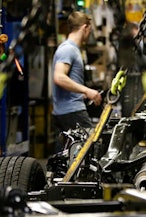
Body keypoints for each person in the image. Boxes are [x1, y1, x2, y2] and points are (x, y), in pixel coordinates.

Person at [52, 11, 102, 143]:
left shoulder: (72, 49)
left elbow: (68, 80)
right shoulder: (68, 49)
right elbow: (59, 77)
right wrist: (87, 90)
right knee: (91, 148)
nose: (89, 34)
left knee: (69, 156)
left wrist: (80, 93)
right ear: (85, 28)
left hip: (66, 111)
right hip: (72, 111)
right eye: (90, 30)